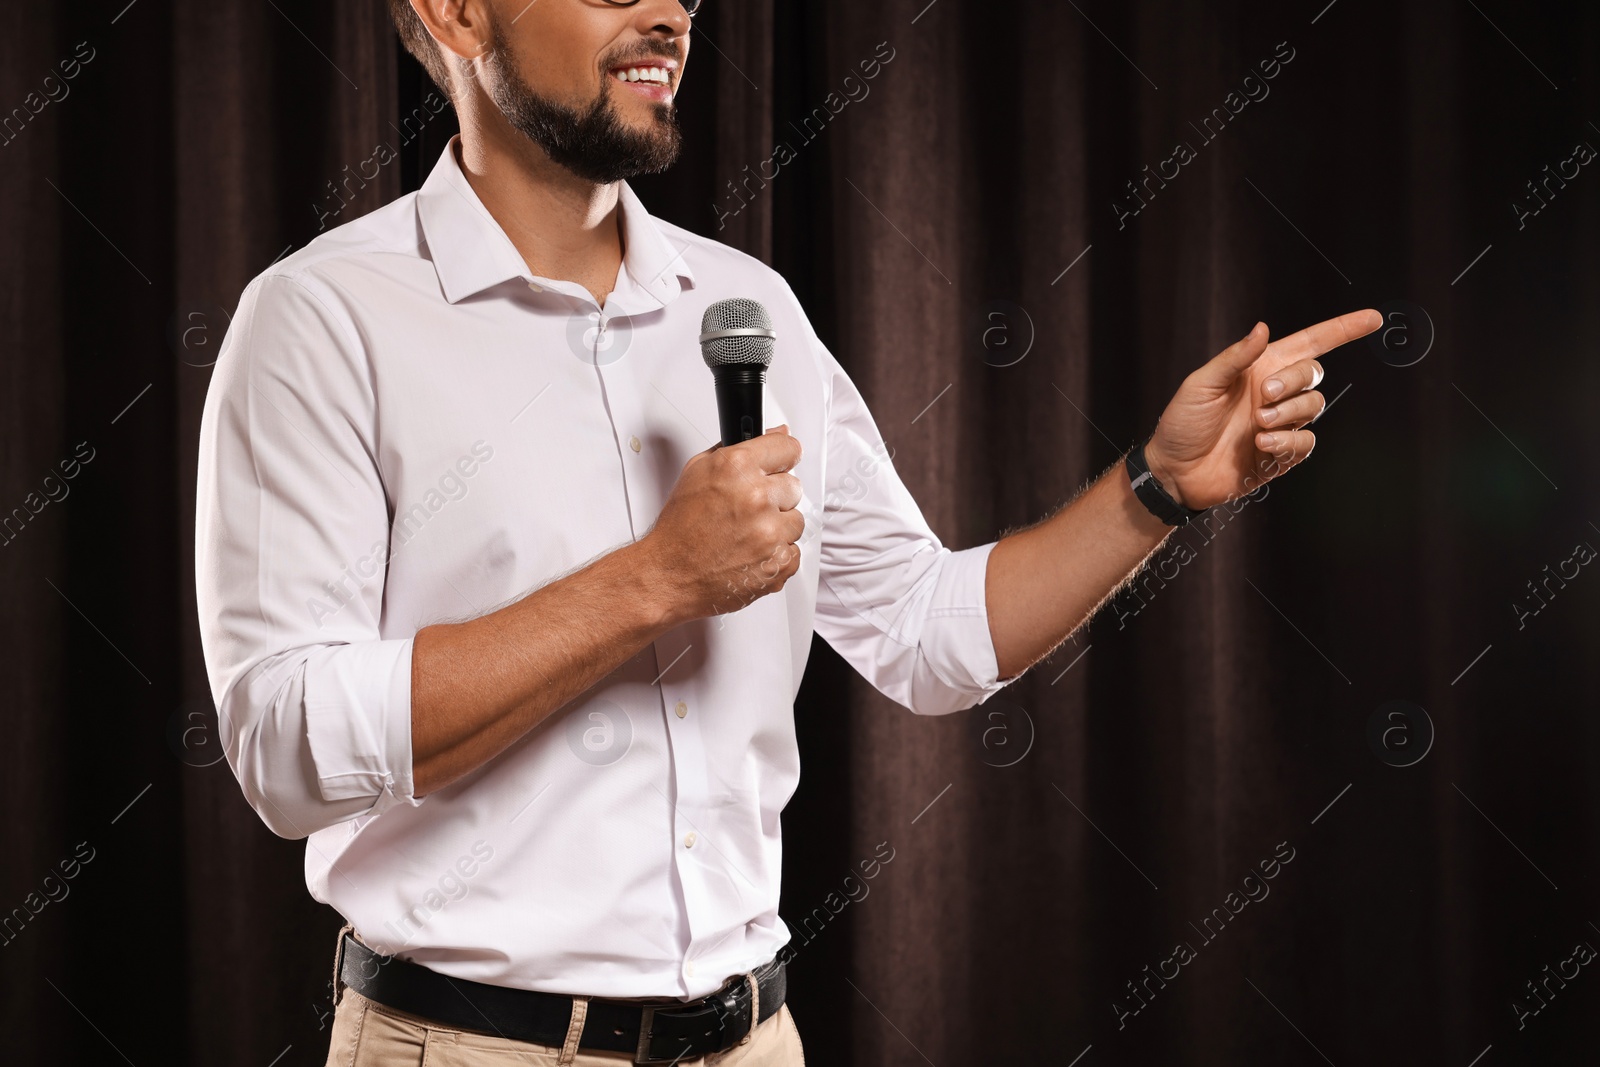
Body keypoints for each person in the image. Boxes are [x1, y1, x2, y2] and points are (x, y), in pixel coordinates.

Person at [192, 0, 1381, 1063]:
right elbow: (284, 744)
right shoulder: (322, 321)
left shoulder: (746, 309)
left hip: (752, 1038)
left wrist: (1155, 487)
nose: (669, 16)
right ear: (456, 15)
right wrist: (653, 582)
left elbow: (928, 638)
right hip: (466, 1047)